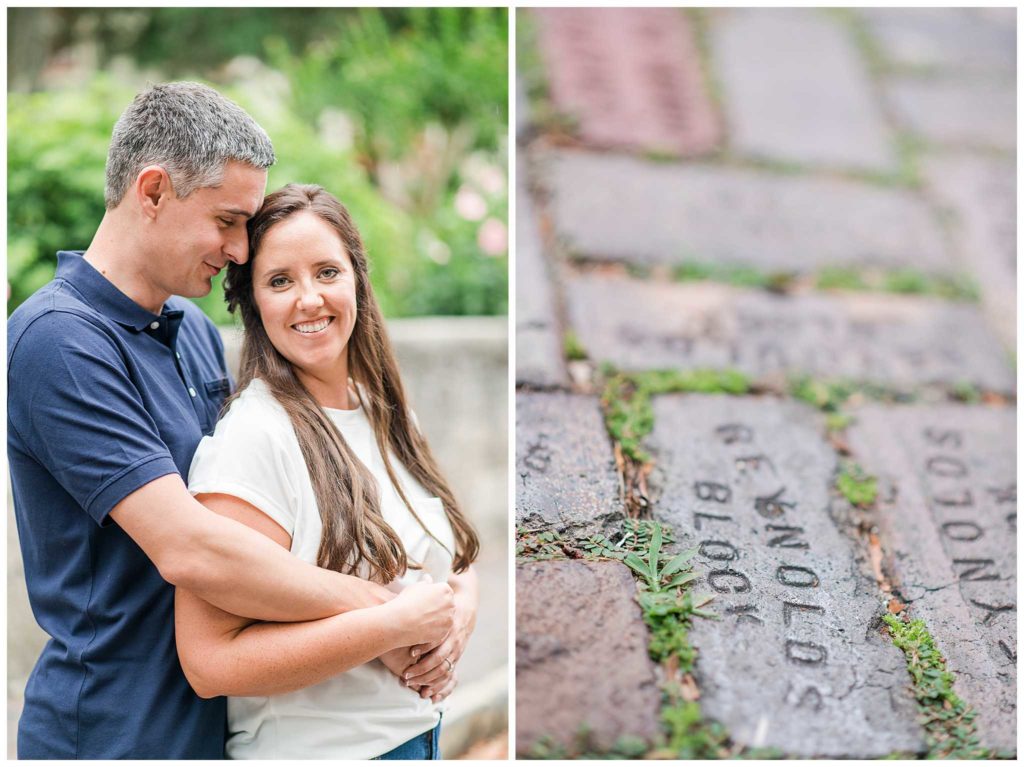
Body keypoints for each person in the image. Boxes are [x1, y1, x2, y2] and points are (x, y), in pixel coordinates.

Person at [7, 82, 454, 759]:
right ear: (152, 191)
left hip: (210, 727)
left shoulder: (188, 327)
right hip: (113, 732)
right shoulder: (57, 340)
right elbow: (190, 546)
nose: (242, 250)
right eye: (227, 220)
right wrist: (384, 616)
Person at [174, 183, 481, 759]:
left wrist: (456, 617)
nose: (309, 299)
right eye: (280, 281)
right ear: (253, 302)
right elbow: (209, 662)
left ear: (358, 281)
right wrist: (391, 627)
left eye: (327, 272)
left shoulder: (385, 413)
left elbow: (452, 561)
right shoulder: (252, 439)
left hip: (419, 738)